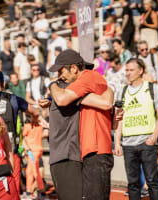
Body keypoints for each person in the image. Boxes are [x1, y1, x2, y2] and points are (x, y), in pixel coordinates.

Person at [48, 49, 114, 200]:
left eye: (61, 71)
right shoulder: (91, 79)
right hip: (94, 150)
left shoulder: (87, 77)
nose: (60, 77)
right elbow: (107, 98)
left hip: (96, 150)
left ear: (74, 69)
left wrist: (52, 85)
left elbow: (62, 99)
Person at [115, 58, 158, 200]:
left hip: (147, 142)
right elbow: (118, 119)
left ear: (141, 70)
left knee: (152, 182)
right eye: (126, 70)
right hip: (128, 145)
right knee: (132, 184)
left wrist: (154, 137)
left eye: (131, 70)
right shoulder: (122, 91)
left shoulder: (152, 88)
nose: (128, 73)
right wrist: (117, 142)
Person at [0, 70, 40, 196]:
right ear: (4, 83)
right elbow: (35, 112)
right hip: (11, 149)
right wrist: (33, 118)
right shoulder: (13, 98)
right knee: (13, 187)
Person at [22, 115, 45, 198]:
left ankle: (40, 190)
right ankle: (31, 190)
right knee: (30, 170)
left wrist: (26, 149)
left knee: (34, 171)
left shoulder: (27, 126)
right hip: (38, 150)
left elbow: (23, 138)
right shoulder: (39, 126)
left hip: (32, 151)